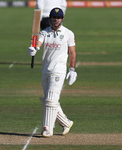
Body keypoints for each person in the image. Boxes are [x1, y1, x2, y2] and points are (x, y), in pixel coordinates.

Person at [28, 8, 77, 137]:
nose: (56, 20)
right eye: (54, 18)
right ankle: (66, 122)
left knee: (50, 100)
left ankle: (47, 129)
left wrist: (72, 69)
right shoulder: (44, 33)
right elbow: (38, 43)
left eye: (58, 18)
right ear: (50, 19)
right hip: (46, 70)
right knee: (50, 101)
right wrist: (33, 49)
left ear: (62, 18)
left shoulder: (68, 33)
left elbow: (72, 52)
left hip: (59, 70)